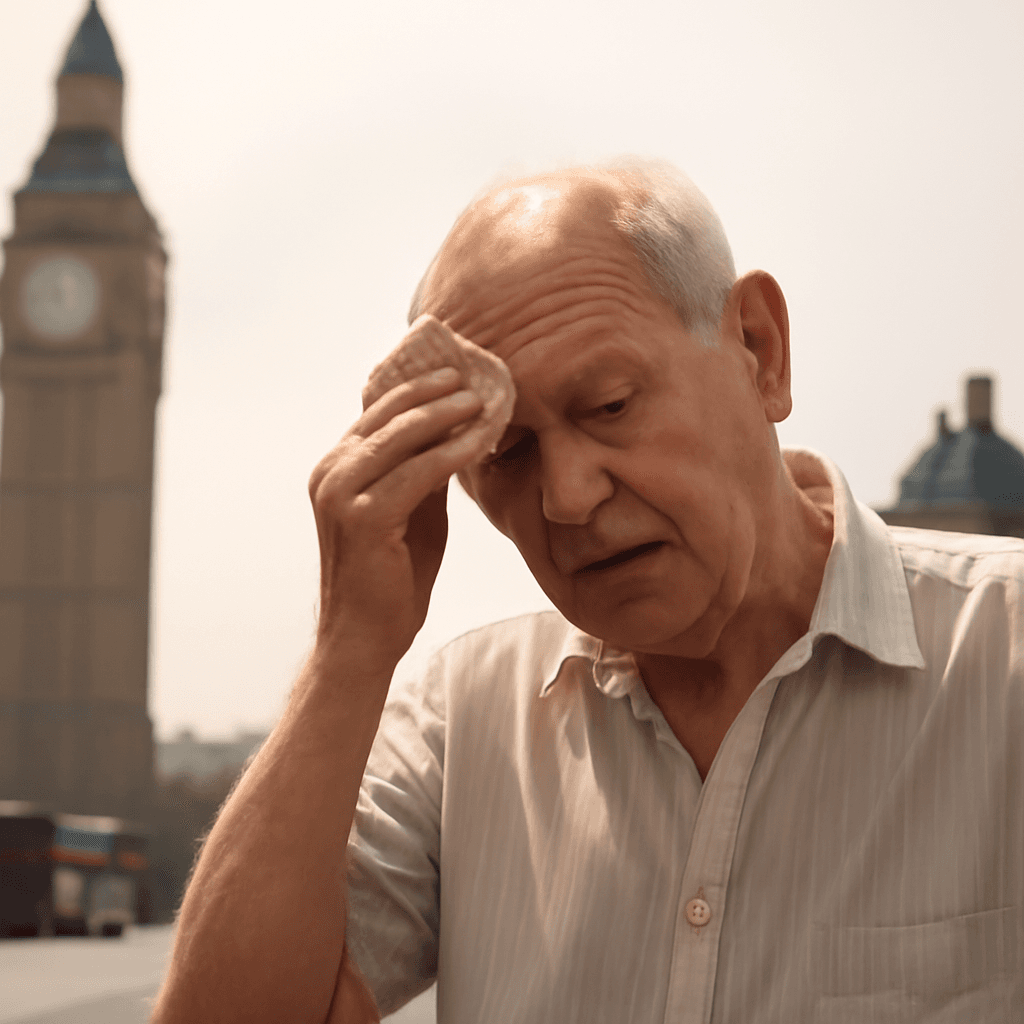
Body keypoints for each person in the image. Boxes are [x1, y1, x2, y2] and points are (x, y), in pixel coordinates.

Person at [153, 161, 1023, 1023]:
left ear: (760, 349)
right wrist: (350, 648)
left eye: (609, 406)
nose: (567, 496)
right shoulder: (461, 725)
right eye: (505, 452)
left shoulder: (1004, 659)